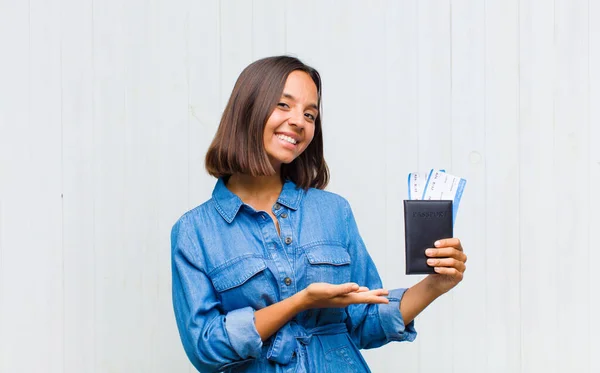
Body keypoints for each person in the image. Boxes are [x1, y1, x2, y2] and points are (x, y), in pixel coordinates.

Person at [171, 56, 468, 373]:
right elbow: (204, 349)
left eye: (310, 114)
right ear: (247, 109)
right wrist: (300, 302)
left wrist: (436, 285)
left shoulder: (333, 210)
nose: (299, 121)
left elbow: (364, 320)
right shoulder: (194, 232)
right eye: (284, 105)